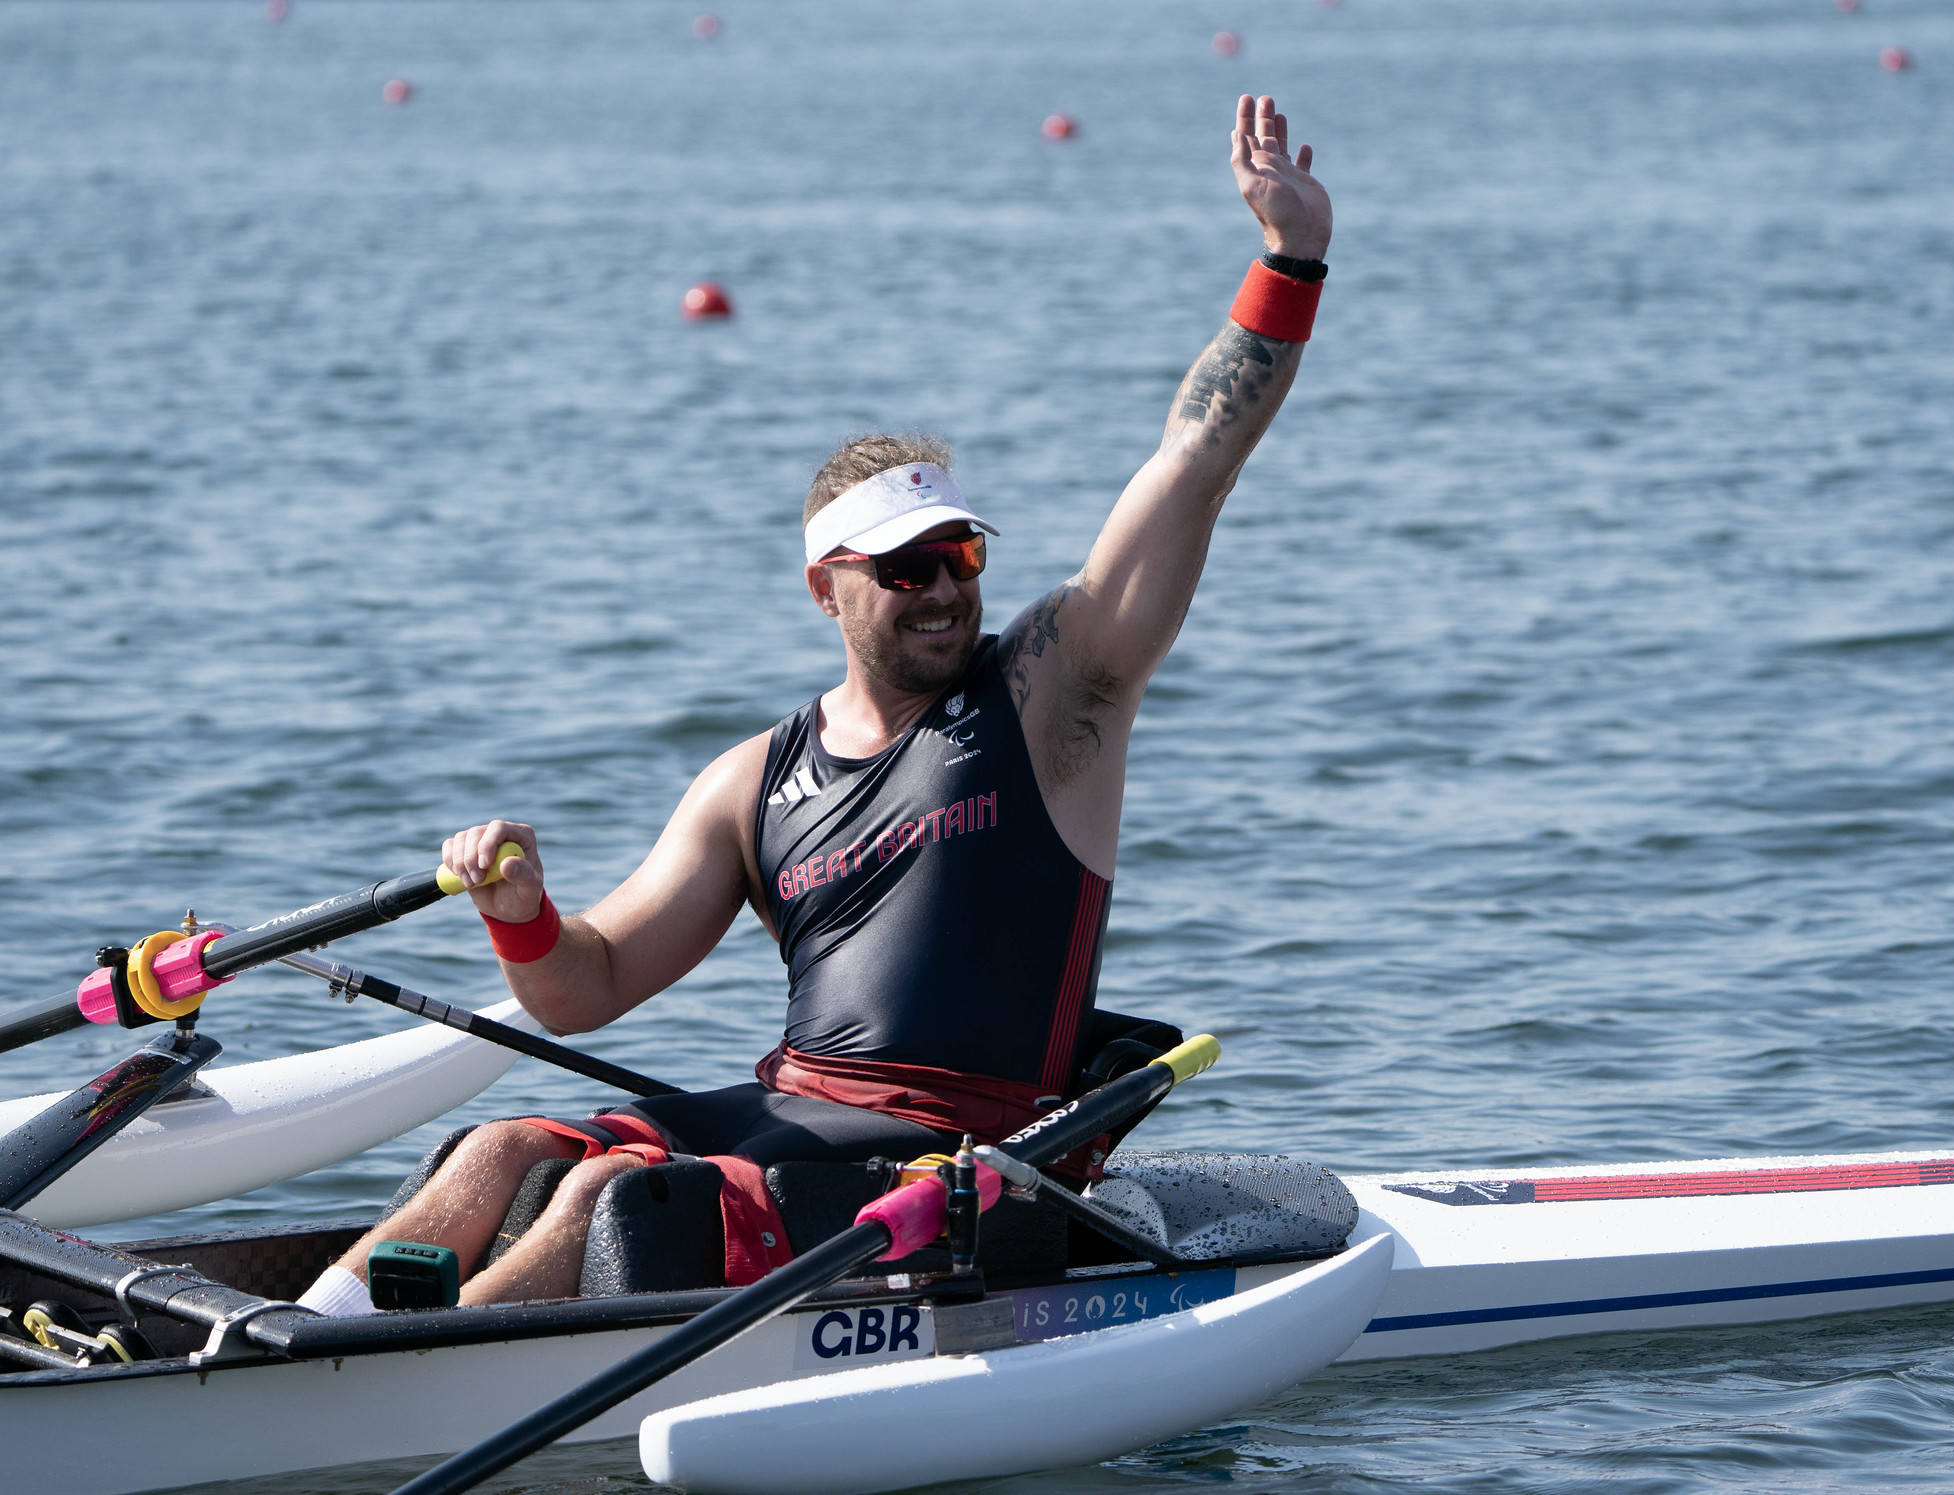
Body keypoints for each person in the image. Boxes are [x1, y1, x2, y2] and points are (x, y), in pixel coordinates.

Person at [297, 94, 1332, 1317]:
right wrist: (522, 913)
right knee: (505, 1145)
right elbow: (585, 985)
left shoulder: (1053, 697)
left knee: (607, 1196)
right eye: (903, 569)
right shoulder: (750, 780)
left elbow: (1190, 464)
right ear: (824, 590)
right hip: (797, 1114)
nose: (942, 589)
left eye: (959, 557)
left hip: (971, 1151)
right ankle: (300, 1341)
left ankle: (414, 1378)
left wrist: (1288, 260)